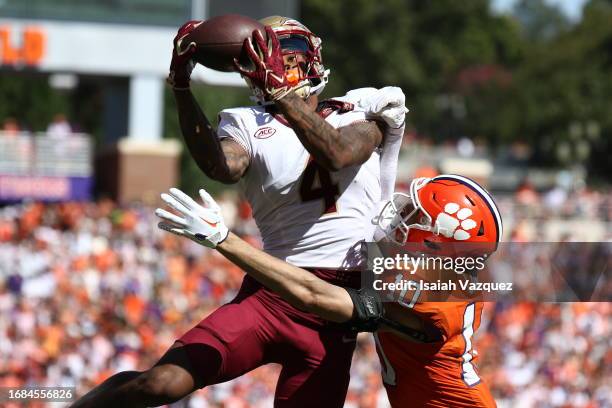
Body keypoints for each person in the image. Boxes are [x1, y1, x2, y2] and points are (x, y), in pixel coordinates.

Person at [72, 16, 407, 408]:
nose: (282, 68)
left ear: (312, 59)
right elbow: (222, 166)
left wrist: (283, 95)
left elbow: (337, 153)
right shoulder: (248, 123)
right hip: (273, 292)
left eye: (289, 57)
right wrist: (181, 88)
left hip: (337, 306)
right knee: (161, 383)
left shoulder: (360, 110)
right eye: (271, 59)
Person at [154, 174, 502, 407]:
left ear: (438, 244)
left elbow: (314, 296)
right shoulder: (445, 273)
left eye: (416, 215)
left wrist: (224, 240)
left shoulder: (429, 301)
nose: (402, 214)